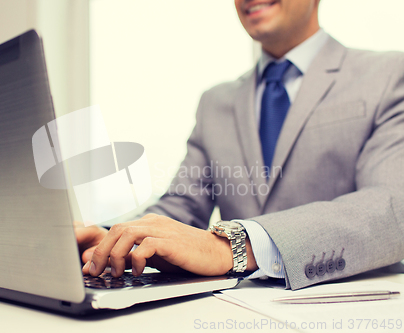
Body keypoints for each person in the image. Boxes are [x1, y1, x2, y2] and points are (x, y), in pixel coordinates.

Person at [77, 0, 404, 290]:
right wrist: (113, 238)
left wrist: (233, 246)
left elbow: (392, 205)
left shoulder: (388, 75)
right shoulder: (215, 102)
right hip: (232, 311)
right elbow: (181, 208)